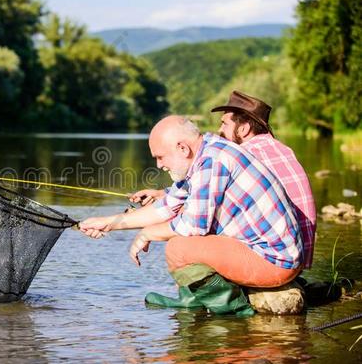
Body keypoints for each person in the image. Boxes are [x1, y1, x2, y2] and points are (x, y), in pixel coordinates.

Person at [80, 115, 303, 294]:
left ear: (182, 148)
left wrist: (147, 234)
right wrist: (108, 223)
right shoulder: (204, 155)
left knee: (179, 248)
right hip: (267, 253)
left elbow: (193, 226)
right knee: (179, 240)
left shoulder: (212, 161)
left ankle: (221, 307)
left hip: (274, 261)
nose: (159, 165)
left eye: (160, 157)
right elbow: (165, 207)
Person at [129, 91, 316, 269]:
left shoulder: (246, 154)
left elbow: (198, 213)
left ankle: (215, 297)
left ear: (243, 129)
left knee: (185, 240)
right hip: (296, 251)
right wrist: (161, 195)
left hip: (275, 255)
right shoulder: (277, 148)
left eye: (225, 124)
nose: (219, 130)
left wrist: (153, 225)